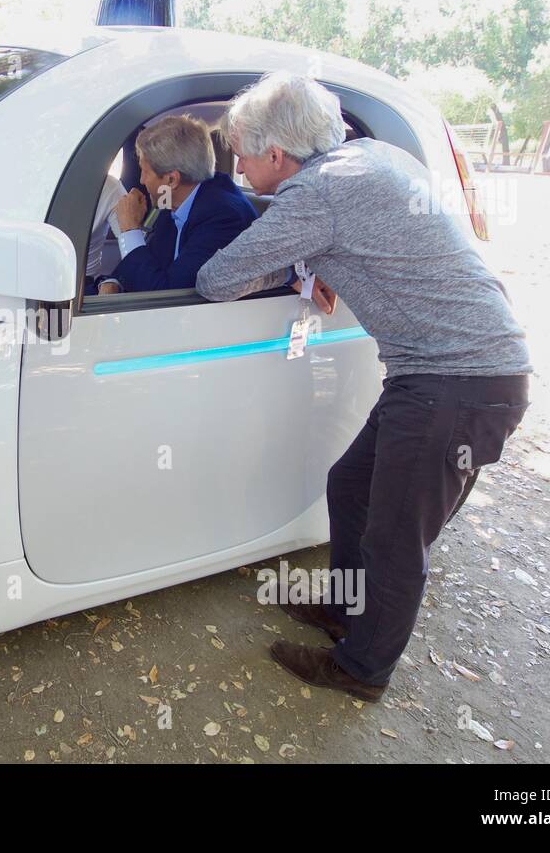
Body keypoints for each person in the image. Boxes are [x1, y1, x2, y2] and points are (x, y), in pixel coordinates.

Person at [195, 72, 531, 701]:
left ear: (276, 155)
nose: (235, 170)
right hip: (463, 374)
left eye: (240, 154)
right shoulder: (369, 159)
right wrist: (309, 261)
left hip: (454, 383)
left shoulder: (316, 195)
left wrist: (295, 256)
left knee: (395, 537)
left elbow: (219, 279)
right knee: (349, 485)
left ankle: (361, 669)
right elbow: (362, 239)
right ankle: (345, 608)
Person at [93, 114, 258, 295]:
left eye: (145, 172)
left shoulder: (223, 217)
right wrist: (113, 281)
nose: (142, 180)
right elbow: (151, 262)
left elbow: (166, 295)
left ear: (171, 180)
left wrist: (130, 231)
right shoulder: (173, 201)